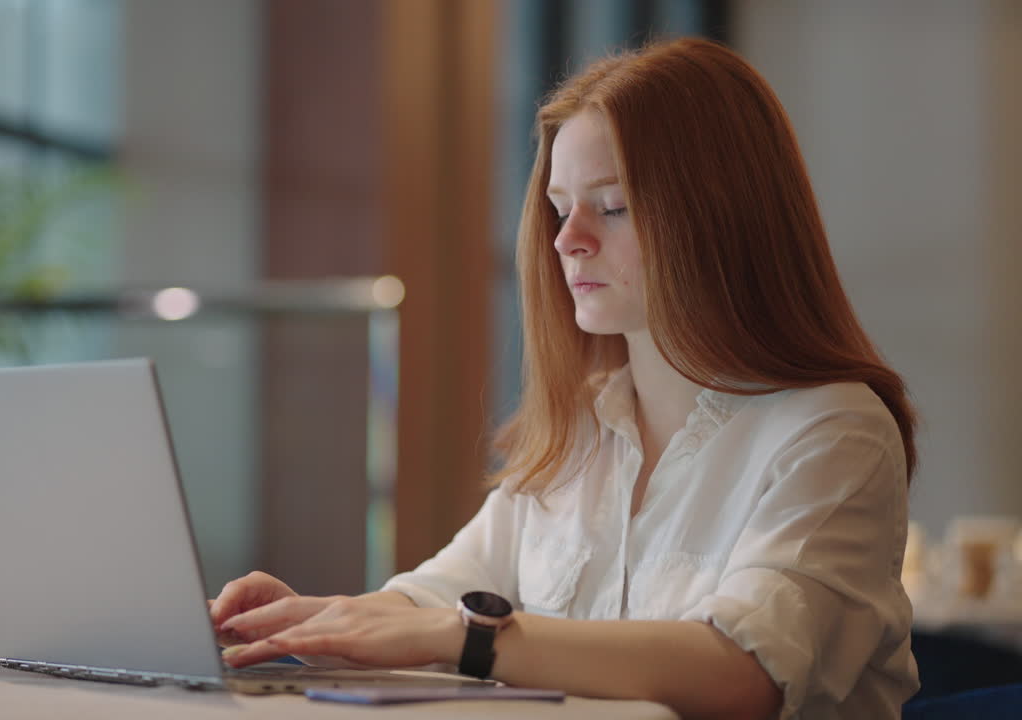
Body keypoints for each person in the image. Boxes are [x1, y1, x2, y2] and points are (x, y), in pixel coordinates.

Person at [209, 36, 919, 720]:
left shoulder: (833, 430)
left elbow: (745, 673)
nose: (566, 239)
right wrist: (307, 624)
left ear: (721, 217)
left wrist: (473, 638)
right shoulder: (579, 428)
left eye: (611, 206)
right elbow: (439, 598)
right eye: (558, 208)